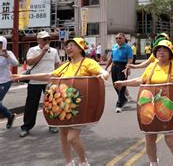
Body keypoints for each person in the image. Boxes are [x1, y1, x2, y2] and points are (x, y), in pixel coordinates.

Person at [13, 37, 109, 166]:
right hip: (63, 107)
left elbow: (101, 72)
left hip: (79, 107)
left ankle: (83, 162)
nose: (68, 48)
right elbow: (49, 75)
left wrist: (103, 75)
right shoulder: (66, 66)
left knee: (72, 138)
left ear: (80, 48)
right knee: (63, 136)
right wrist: (25, 76)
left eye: (72, 45)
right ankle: (69, 162)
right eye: (67, 46)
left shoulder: (88, 63)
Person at [114, 39, 173, 166]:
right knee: (149, 138)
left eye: (164, 50)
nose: (161, 52)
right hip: (149, 107)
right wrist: (123, 83)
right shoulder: (152, 66)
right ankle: (153, 163)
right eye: (159, 50)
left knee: (170, 139)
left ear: (170, 53)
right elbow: (141, 80)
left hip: (167, 108)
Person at [20, 31, 61, 137]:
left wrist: (59, 77)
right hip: (35, 81)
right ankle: (26, 127)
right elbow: (29, 62)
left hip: (50, 81)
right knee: (31, 105)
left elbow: (57, 64)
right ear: (38, 40)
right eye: (44, 39)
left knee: (52, 104)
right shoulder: (33, 50)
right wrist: (42, 52)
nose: (47, 41)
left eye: (48, 39)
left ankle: (53, 124)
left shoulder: (54, 51)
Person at [105, 33, 133, 113]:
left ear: (124, 38)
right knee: (115, 84)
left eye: (120, 38)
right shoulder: (114, 47)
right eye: (116, 38)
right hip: (114, 66)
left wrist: (128, 67)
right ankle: (123, 98)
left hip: (123, 66)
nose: (118, 40)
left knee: (122, 84)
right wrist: (106, 67)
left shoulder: (128, 47)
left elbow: (130, 59)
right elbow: (111, 58)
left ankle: (119, 105)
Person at [0, 36, 18, 129]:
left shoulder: (8, 53)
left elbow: (15, 63)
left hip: (5, 80)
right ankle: (10, 116)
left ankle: (9, 116)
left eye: (0, 43)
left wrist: (7, 56)